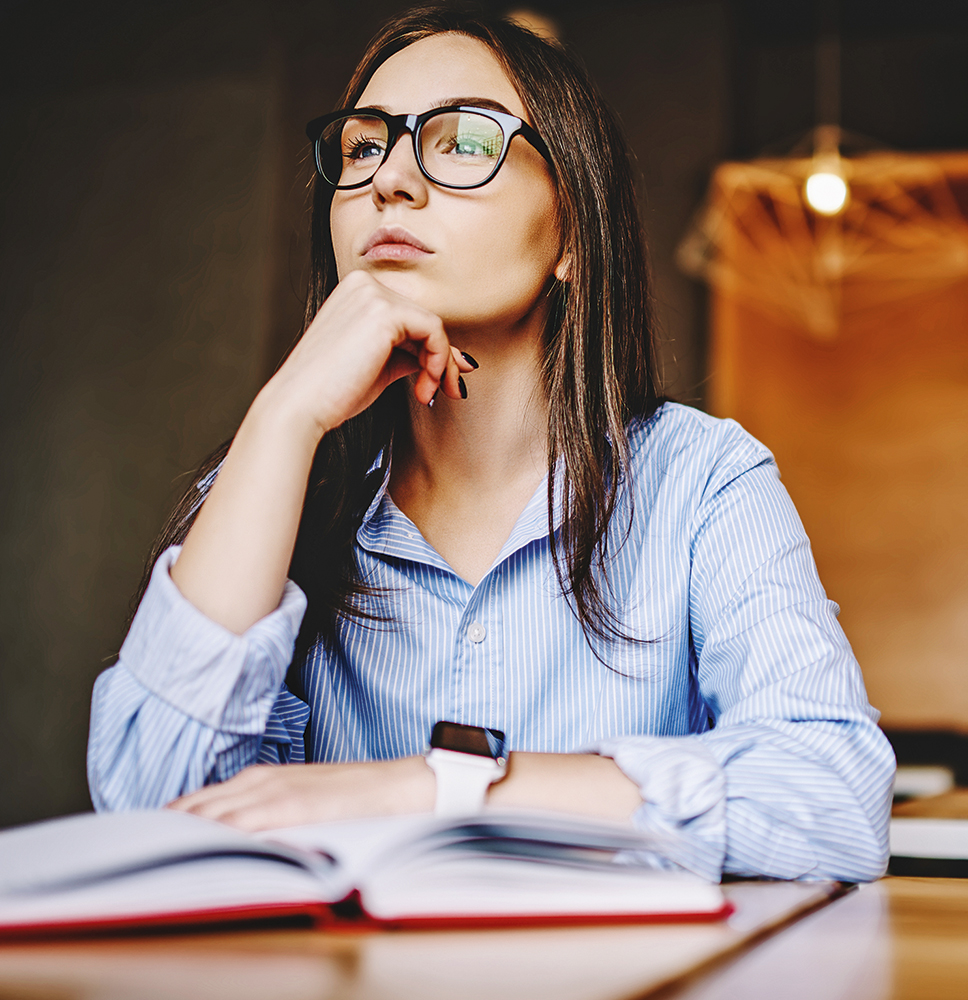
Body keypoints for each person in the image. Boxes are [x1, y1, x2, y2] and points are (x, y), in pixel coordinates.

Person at [87, 3, 893, 882]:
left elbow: (831, 798)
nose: (390, 181)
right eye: (364, 147)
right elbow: (149, 811)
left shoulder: (700, 481)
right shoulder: (273, 482)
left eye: (465, 141)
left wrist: (438, 790)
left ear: (572, 236)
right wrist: (281, 417)